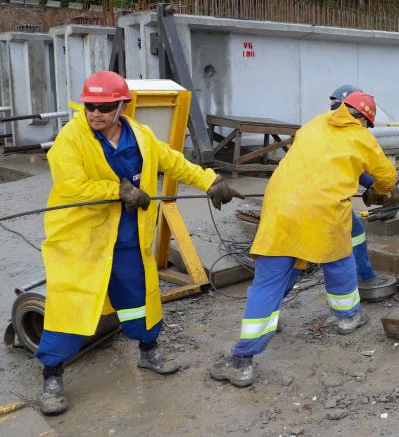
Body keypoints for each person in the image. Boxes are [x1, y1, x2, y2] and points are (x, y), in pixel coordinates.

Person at [36, 71, 243, 415]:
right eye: (90, 106)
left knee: (138, 300)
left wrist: (210, 181)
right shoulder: (71, 139)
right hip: (83, 242)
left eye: (104, 107)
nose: (95, 114)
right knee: (70, 306)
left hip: (129, 238)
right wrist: (117, 190)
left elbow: (172, 161)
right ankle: (52, 373)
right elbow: (71, 186)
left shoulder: (140, 136)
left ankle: (148, 350)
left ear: (122, 106)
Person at [209, 91, 399, 388]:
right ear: (363, 118)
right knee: (338, 260)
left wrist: (364, 180)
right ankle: (348, 318)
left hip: (282, 208)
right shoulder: (363, 138)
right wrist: (379, 190)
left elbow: (325, 159)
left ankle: (242, 362)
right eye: (366, 123)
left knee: (269, 280)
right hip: (324, 211)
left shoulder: (312, 124)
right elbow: (385, 177)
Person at [327, 84, 391, 288]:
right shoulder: (351, 133)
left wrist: (370, 184)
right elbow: (386, 174)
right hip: (329, 200)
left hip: (301, 196)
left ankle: (365, 275)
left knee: (293, 259)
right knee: (353, 236)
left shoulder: (319, 128)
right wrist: (381, 189)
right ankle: (365, 277)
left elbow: (352, 165)